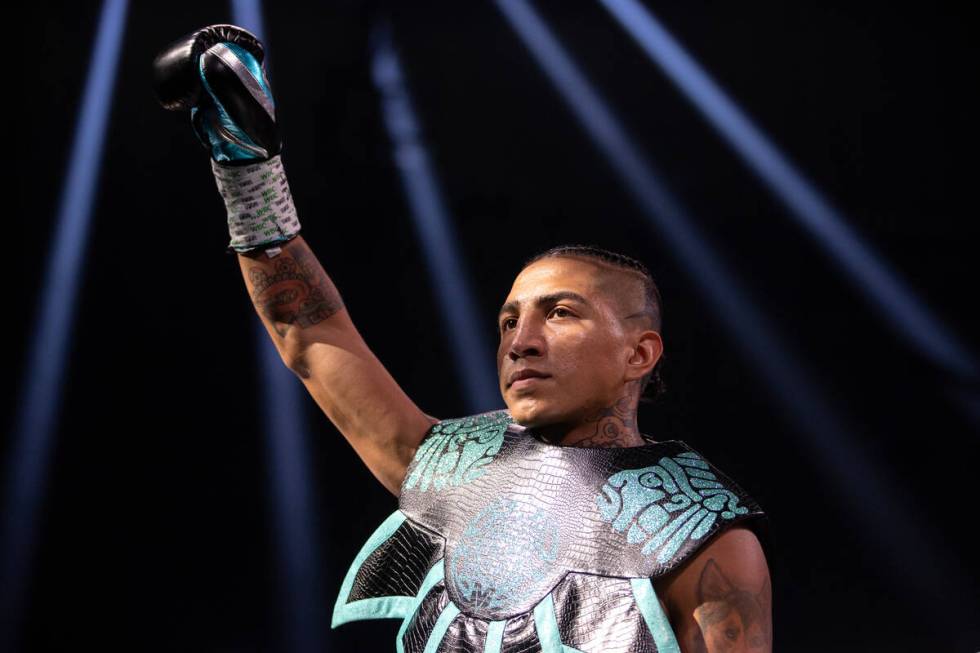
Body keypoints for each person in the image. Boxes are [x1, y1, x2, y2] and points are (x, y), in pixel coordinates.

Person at [153, 24, 773, 652]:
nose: (521, 341)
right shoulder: (453, 468)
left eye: (560, 314)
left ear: (638, 353)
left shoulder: (700, 531)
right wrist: (246, 166)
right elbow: (308, 331)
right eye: (508, 320)